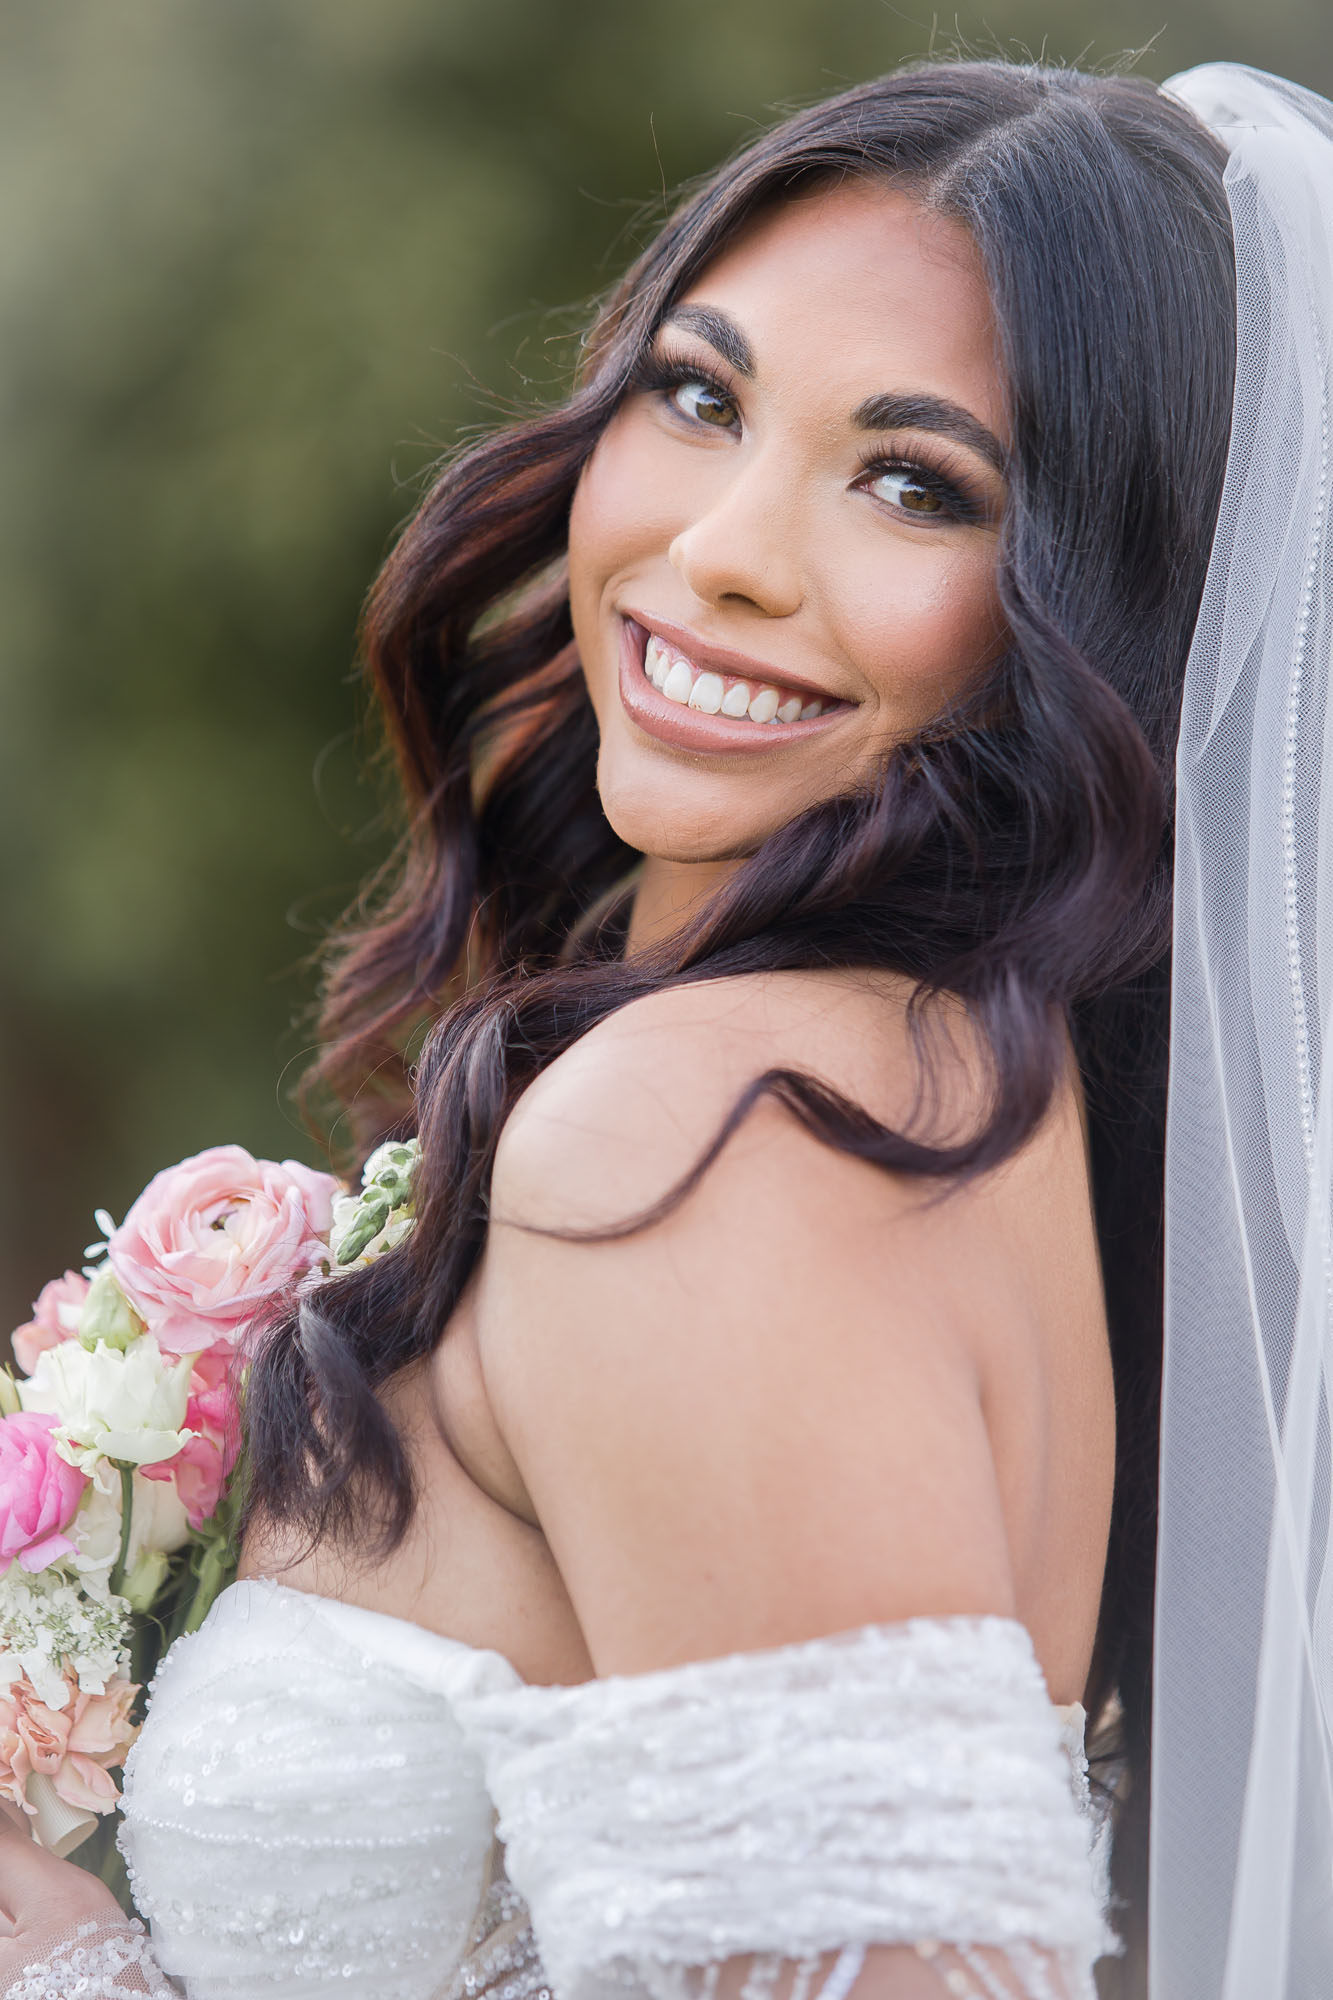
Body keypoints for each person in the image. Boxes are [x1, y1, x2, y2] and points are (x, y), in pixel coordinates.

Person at [1, 53, 1329, 2000]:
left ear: (1087, 607)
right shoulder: (938, 1107)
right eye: (698, 396)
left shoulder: (712, 1140)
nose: (719, 546)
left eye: (910, 481)